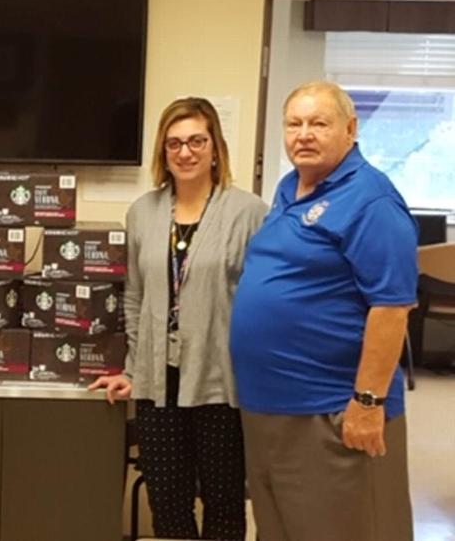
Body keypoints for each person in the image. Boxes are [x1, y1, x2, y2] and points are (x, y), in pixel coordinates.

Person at [229, 81, 416, 541]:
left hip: (330, 412)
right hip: (270, 407)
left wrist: (368, 404)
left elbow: (391, 308)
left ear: (350, 129)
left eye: (319, 123)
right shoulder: (289, 188)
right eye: (294, 124)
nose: (304, 134)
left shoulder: (371, 200)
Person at [89, 97, 267, 540]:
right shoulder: (142, 212)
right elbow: (134, 297)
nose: (185, 152)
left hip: (221, 384)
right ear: (163, 152)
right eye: (174, 144)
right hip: (158, 386)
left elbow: (261, 302)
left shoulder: (249, 213)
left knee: (224, 507)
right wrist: (133, 370)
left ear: (215, 148)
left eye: (196, 141)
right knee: (168, 508)